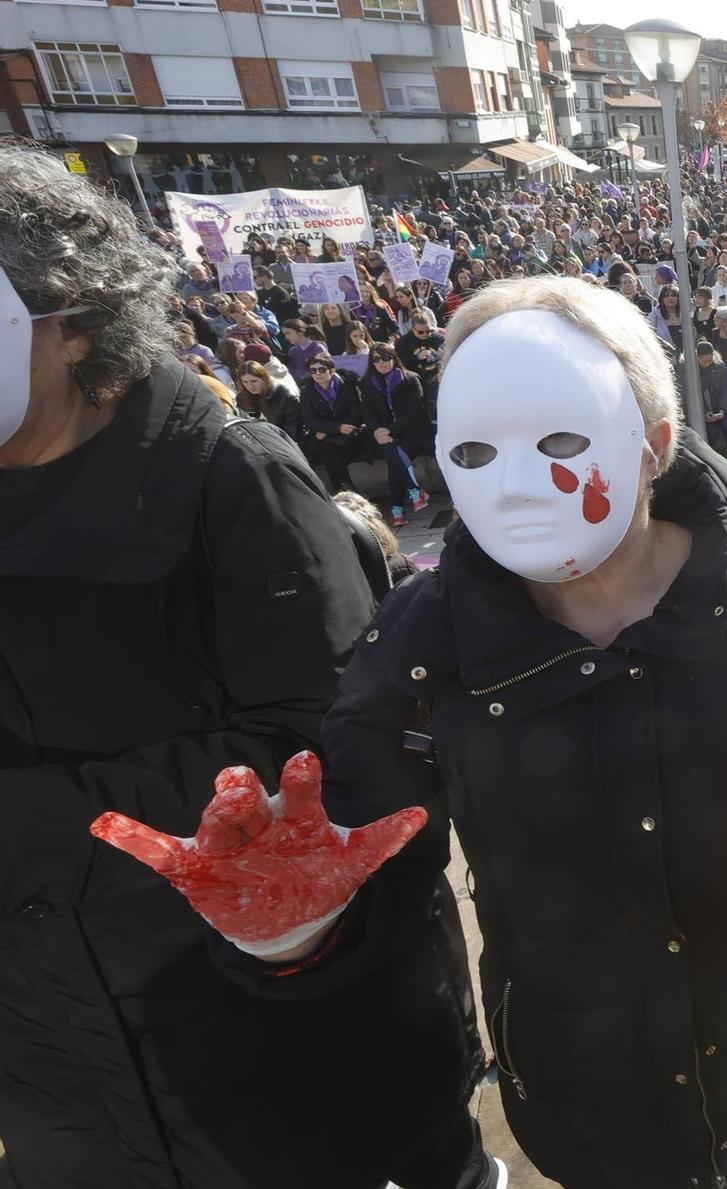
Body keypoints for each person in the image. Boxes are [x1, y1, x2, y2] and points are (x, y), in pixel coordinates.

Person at [95, 278, 727, 1189]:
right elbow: (366, 867)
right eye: (473, 448)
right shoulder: (419, 652)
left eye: (560, 441)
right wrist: (286, 931)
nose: (514, 481)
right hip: (586, 1098)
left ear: (653, 447)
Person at [0, 146, 495, 1189]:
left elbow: (326, 758)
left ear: (70, 317)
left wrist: (37, 824)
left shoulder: (232, 482)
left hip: (292, 1053)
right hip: (70, 1084)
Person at [357, 342, 431, 527]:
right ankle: (414, 493)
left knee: (395, 457)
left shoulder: (410, 379)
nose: (381, 362)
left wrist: (390, 430)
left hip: (411, 432)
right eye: (376, 359)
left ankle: (398, 507)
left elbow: (416, 413)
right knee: (392, 451)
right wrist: (378, 431)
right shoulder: (366, 384)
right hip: (382, 435)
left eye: (385, 357)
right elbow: (369, 414)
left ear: (394, 358)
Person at [298, 350, 364, 493]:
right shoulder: (307, 391)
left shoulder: (348, 385)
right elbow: (309, 420)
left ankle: (344, 491)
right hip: (327, 436)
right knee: (328, 450)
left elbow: (357, 413)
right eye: (313, 371)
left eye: (322, 369)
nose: (317, 374)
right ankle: (346, 490)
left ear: (332, 370)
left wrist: (337, 428)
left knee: (334, 450)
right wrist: (336, 428)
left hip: (351, 432)